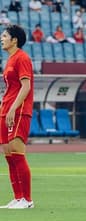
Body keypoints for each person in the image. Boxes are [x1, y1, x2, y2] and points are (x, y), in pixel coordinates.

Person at [0, 25, 34, 209]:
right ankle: (18, 197)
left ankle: (27, 200)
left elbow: (26, 87)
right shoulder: (10, 59)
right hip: (6, 110)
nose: (1, 38)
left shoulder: (22, 58)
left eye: (4, 35)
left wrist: (13, 108)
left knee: (17, 153)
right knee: (8, 155)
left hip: (19, 110)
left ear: (14, 40)